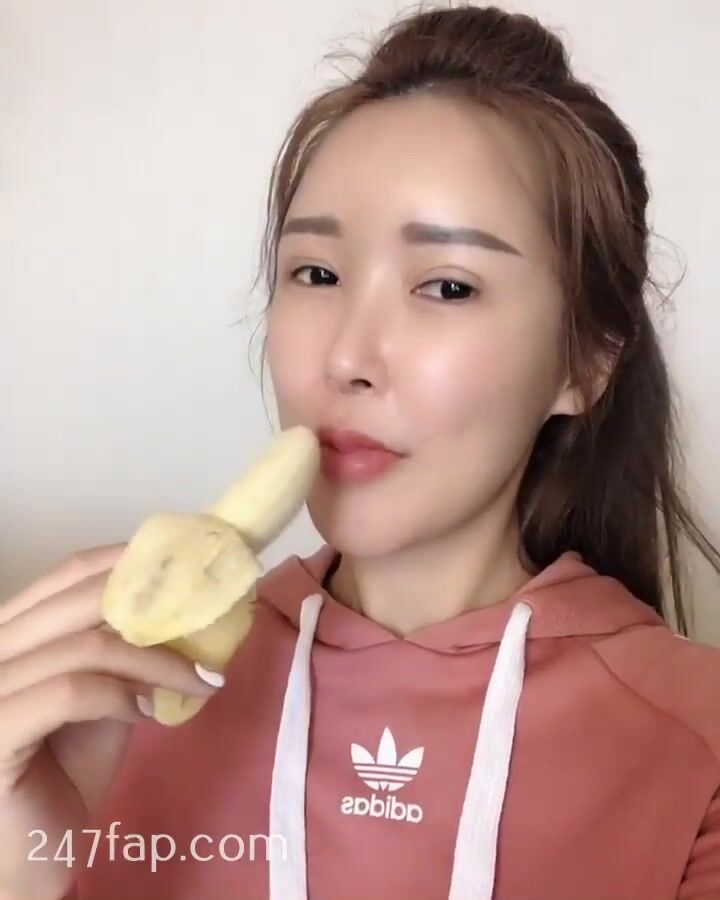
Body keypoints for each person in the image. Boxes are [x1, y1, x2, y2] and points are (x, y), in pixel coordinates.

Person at [2, 4, 719, 899]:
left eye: (447, 287)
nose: (345, 357)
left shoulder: (695, 740)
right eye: (316, 273)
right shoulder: (117, 696)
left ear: (585, 364)